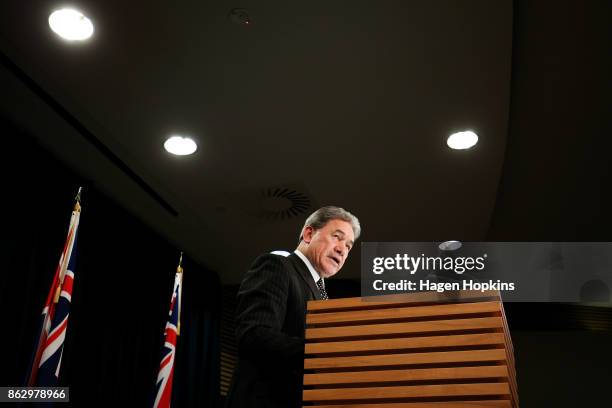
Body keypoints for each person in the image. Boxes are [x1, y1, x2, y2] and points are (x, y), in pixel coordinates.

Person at [225, 206, 361, 408]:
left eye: (349, 246)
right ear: (308, 234)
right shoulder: (277, 266)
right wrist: (324, 354)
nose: (343, 249)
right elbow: (253, 334)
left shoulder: (322, 294)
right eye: (337, 237)